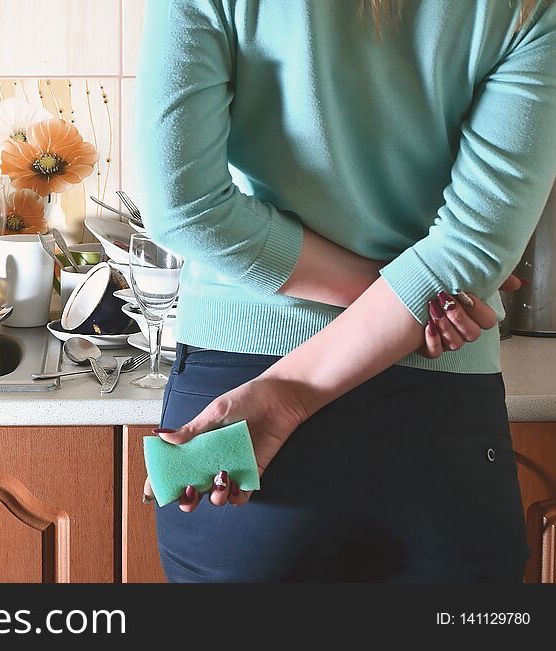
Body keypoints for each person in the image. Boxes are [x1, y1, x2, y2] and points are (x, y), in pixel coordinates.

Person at [134, 0, 556, 581]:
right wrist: (408, 295)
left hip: (239, 406)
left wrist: (292, 388)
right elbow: (470, 253)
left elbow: (185, 207)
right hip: (440, 403)